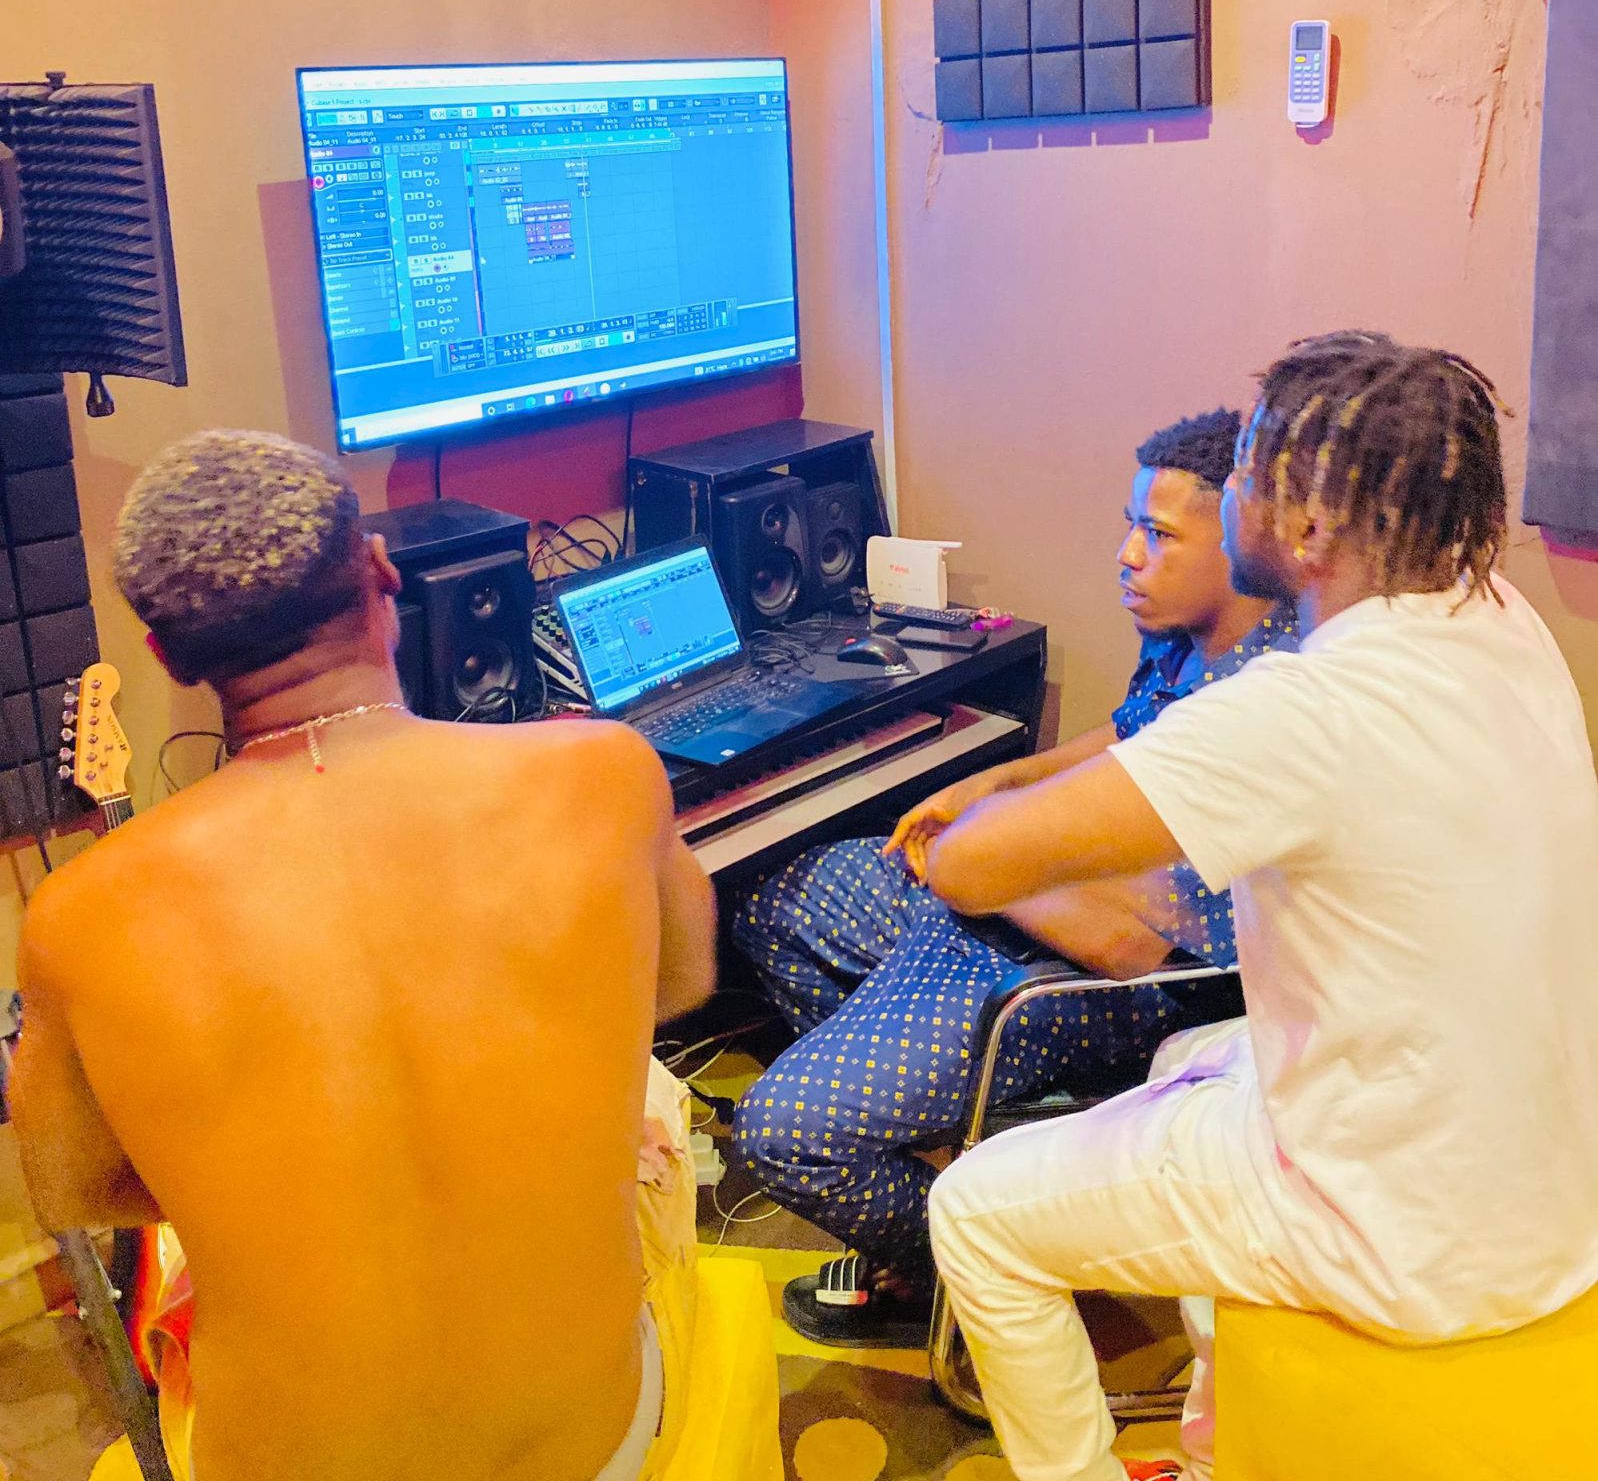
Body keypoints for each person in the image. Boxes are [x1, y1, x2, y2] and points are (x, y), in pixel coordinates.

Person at [919, 332, 1598, 1481]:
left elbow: (971, 868)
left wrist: (974, 805)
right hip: (1543, 1183)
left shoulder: (1303, 707)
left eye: (1248, 469)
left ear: (1311, 523)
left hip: (1405, 1239)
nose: (1231, 487)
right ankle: (1214, 1435)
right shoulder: (1495, 616)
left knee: (975, 1213)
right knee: (1187, 1051)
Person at [9, 430, 716, 1481]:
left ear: (168, 658)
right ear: (383, 574)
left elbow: (81, 1187)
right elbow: (680, 981)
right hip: (592, 1446)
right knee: (656, 1108)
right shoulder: (605, 770)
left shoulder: (75, 914)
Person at [729, 410, 1297, 1346]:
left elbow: (1136, 947)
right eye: (1131, 525)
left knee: (782, 1133)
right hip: (995, 917)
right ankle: (926, 1128)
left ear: (1239, 542)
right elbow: (1126, 734)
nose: (1127, 555)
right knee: (770, 900)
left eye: (1158, 535)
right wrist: (1003, 782)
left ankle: (966, 1278)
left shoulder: (1263, 709)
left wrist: (984, 867)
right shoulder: (1188, 631)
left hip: (1084, 982)